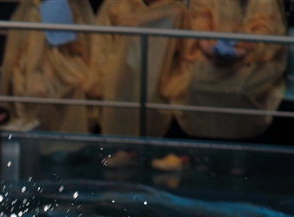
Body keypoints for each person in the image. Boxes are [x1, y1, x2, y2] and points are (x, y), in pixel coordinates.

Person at [170, 0, 288, 139]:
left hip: (255, 58)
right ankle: (202, 139)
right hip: (209, 55)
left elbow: (267, 27)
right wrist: (209, 49)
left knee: (239, 90)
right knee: (196, 84)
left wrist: (242, 51)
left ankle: (240, 140)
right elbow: (199, 18)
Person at [85, 0, 187, 137]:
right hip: (122, 73)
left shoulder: (176, 11)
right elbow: (101, 50)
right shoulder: (114, 6)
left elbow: (182, 52)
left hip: (158, 77)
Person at [0, 0, 97, 133]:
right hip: (34, 60)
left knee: (74, 84)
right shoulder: (32, 13)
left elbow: (79, 48)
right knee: (35, 90)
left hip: (65, 55)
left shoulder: (74, 9)